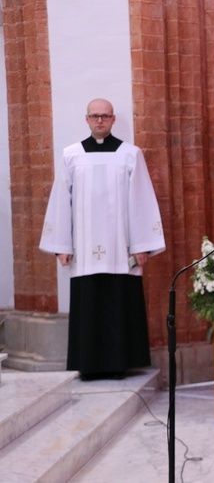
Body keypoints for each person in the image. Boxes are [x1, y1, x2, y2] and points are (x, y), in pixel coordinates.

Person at [39, 98, 165, 381]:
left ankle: (120, 364)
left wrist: (142, 245)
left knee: (119, 301)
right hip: (83, 248)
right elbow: (61, 200)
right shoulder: (71, 155)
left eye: (105, 116)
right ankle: (89, 366)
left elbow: (142, 199)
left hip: (121, 248)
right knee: (89, 302)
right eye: (95, 116)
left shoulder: (131, 154)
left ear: (113, 120)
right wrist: (62, 246)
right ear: (87, 119)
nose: (100, 121)